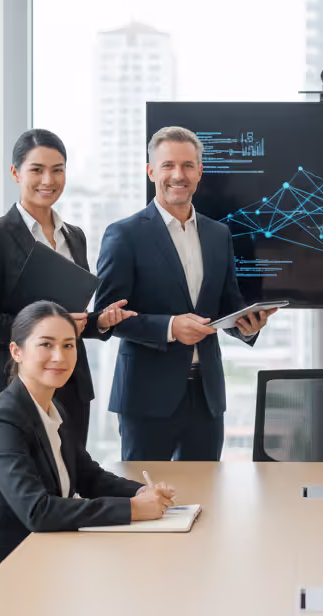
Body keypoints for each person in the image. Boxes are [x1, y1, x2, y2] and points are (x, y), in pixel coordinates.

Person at [0, 301, 177, 605]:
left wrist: (144, 492)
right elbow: (38, 512)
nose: (60, 356)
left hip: (39, 559)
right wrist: (134, 509)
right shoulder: (3, 421)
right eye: (46, 344)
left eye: (69, 345)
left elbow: (89, 476)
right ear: (17, 352)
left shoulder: (52, 407)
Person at [94, 126, 277, 461]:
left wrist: (246, 325)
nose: (178, 175)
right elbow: (107, 318)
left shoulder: (218, 233)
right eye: (167, 165)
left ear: (200, 172)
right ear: (151, 171)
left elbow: (228, 302)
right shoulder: (123, 234)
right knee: (146, 500)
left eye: (187, 166)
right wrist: (170, 327)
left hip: (206, 398)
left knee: (207, 499)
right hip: (146, 398)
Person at [0, 129, 133, 450]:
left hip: (72, 387)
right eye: (37, 170)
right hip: (17, 384)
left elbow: (73, 316)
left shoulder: (75, 236)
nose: (48, 179)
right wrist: (44, 328)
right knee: (26, 489)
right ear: (15, 173)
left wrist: (98, 322)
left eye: (58, 170)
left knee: (71, 484)